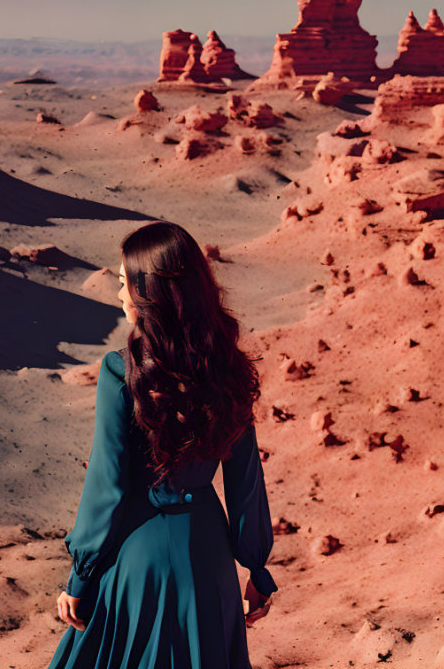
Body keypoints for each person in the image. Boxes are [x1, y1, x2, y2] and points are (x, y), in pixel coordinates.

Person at [48, 220, 276, 669]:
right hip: (208, 561)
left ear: (150, 291)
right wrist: (257, 570)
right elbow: (246, 480)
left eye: (123, 283)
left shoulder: (122, 371)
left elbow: (107, 487)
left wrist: (80, 576)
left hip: (138, 556)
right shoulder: (227, 368)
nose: (118, 295)